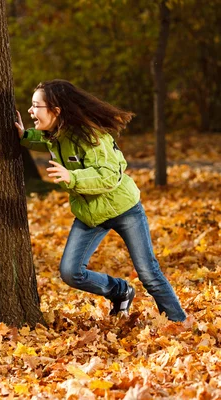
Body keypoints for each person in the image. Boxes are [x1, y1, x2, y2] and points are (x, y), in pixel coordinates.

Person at [15, 79, 186, 322]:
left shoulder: (91, 135)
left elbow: (109, 175)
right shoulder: (55, 134)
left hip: (124, 210)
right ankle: (121, 291)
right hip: (90, 214)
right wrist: (24, 136)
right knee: (71, 273)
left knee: (149, 273)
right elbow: (43, 141)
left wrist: (71, 177)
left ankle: (178, 322)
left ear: (56, 110)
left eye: (36, 106)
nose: (31, 111)